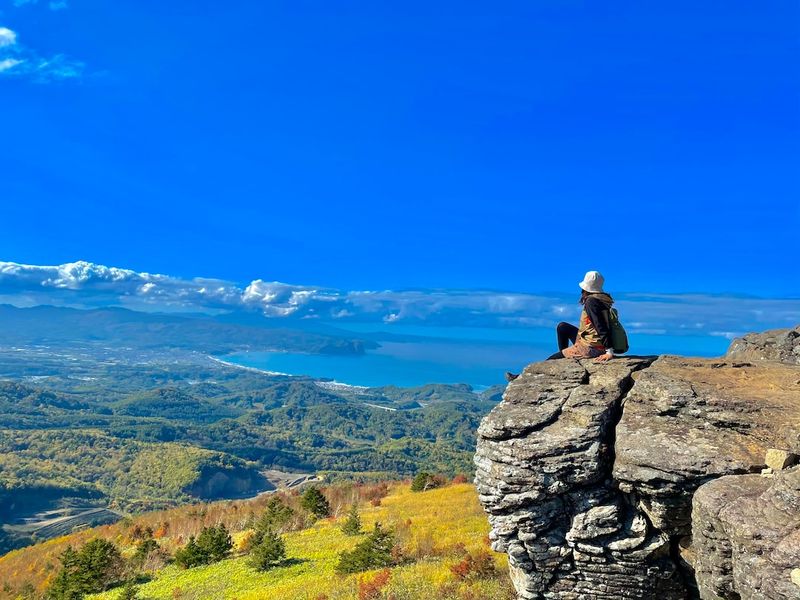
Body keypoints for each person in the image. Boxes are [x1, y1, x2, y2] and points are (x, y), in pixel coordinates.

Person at [505, 271, 617, 382]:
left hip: (591, 347)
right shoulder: (602, 299)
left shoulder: (591, 302)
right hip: (590, 340)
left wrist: (609, 352)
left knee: (550, 360)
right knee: (562, 327)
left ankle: (520, 378)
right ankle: (566, 358)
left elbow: (601, 326)